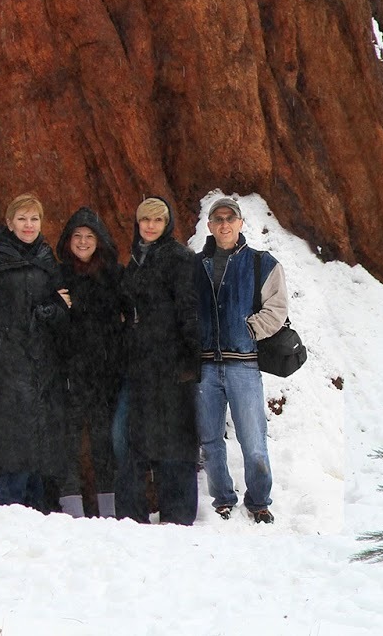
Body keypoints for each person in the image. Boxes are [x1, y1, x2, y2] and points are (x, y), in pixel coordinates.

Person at [0, 192, 72, 513]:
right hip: (6, 361)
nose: (28, 225)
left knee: (39, 437)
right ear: (9, 222)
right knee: (13, 436)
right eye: (22, 218)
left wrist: (51, 310)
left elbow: (64, 307)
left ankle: (37, 508)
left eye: (34, 219)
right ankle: (7, 507)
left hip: (43, 363)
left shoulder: (48, 260)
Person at [195, 195, 286, 524]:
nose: (224, 224)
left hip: (244, 365)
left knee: (253, 440)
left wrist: (251, 329)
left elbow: (276, 308)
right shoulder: (195, 265)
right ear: (209, 225)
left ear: (240, 223)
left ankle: (259, 500)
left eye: (229, 218)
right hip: (205, 366)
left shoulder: (261, 262)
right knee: (210, 440)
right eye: (217, 219)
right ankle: (222, 497)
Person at [115, 196, 200, 525]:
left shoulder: (178, 258)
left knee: (175, 439)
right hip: (140, 362)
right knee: (135, 437)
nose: (150, 226)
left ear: (168, 225)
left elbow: (189, 310)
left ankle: (178, 516)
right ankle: (132, 516)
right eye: (144, 220)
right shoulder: (138, 258)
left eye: (157, 220)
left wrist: (190, 359)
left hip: (170, 361)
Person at [55, 207, 124, 517]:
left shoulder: (113, 275)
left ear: (100, 241)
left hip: (103, 372)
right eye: (77, 236)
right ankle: (72, 509)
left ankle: (108, 511)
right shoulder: (56, 275)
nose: (83, 242)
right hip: (66, 372)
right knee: (67, 442)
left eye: (89, 236)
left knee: (103, 441)